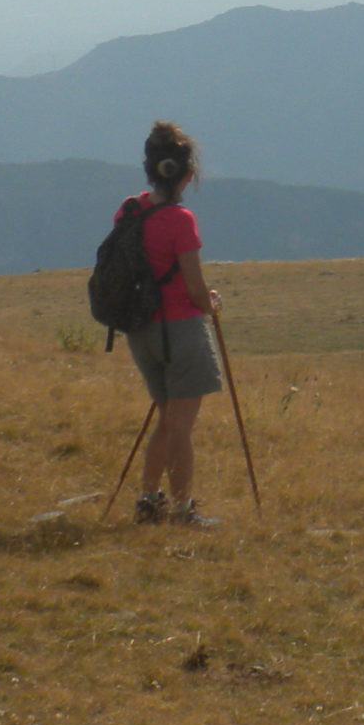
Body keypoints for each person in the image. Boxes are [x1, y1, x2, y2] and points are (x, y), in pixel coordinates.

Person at [124, 120, 224, 528]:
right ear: (187, 174)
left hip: (139, 329)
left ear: (150, 169)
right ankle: (184, 510)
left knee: (166, 418)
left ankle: (149, 500)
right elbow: (196, 289)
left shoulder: (129, 210)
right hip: (180, 329)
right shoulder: (181, 220)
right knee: (181, 424)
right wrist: (212, 303)